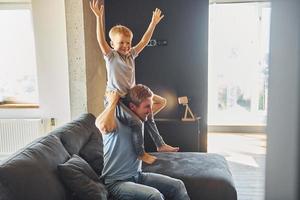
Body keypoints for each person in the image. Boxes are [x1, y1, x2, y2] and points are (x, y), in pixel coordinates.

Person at [90, 0, 178, 164]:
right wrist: (98, 18)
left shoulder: (131, 55)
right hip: (116, 99)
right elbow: (100, 40)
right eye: (121, 43)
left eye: (128, 43)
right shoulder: (111, 57)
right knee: (137, 122)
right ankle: (140, 153)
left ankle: (160, 144)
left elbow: (144, 40)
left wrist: (153, 23)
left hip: (131, 97)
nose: (125, 46)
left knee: (155, 106)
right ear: (113, 44)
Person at [101, 84, 190, 200]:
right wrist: (114, 101)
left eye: (151, 106)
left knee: (178, 185)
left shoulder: (141, 118)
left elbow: (162, 102)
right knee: (155, 196)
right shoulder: (115, 122)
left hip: (138, 176)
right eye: (147, 107)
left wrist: (135, 89)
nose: (150, 111)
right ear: (132, 107)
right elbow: (102, 125)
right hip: (116, 183)